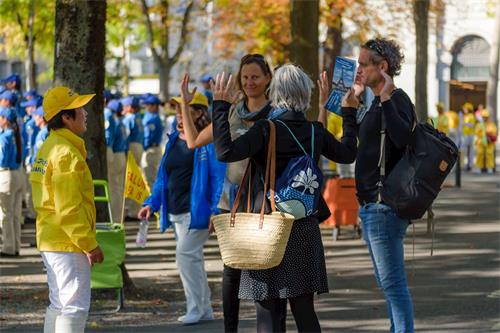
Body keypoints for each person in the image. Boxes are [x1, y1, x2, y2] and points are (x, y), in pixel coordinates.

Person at [212, 64, 357, 332]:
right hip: (302, 227)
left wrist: (220, 107)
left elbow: (225, 152)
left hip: (266, 227)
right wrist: (348, 113)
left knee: (268, 313)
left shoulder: (265, 130)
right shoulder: (315, 131)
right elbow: (348, 153)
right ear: (306, 95)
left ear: (275, 92)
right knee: (304, 311)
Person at [180, 53, 273, 333]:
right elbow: (194, 140)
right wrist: (185, 104)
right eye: (245, 77)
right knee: (231, 271)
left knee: (260, 272)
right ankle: (229, 329)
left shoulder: (275, 113)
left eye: (255, 76)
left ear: (268, 78)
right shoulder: (232, 110)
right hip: (229, 203)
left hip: (260, 203)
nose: (250, 82)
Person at [344, 38, 415, 332]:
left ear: (382, 67)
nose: (358, 69)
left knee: (394, 286)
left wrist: (385, 99)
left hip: (384, 205)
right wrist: (351, 107)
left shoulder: (396, 99)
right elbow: (359, 146)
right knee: (389, 286)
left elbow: (403, 140)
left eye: (363, 64)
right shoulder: (376, 102)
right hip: (372, 206)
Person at [138, 92, 225, 326]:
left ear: (198, 113)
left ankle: (195, 308)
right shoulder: (174, 138)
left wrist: (215, 210)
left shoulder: (207, 141)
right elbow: (162, 177)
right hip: (176, 212)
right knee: (192, 259)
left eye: (183, 108)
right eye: (175, 108)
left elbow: (218, 177)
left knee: (185, 255)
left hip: (197, 212)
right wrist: (151, 203)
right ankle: (204, 308)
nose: (178, 113)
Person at [30, 86, 104, 333]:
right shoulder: (65, 153)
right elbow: (69, 207)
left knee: (60, 304)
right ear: (66, 117)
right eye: (79, 109)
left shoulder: (49, 147)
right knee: (73, 307)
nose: (85, 113)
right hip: (67, 242)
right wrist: (89, 243)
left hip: (53, 238)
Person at [0, 106, 23, 257]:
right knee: (15, 214)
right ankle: (16, 246)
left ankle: (8, 247)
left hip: (6, 175)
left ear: (5, 120)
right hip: (17, 174)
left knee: (5, 214)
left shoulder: (4, 136)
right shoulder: (16, 135)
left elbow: (1, 159)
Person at [121, 96, 144, 219]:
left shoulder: (129, 118)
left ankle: (129, 210)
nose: (123, 108)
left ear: (130, 107)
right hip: (139, 146)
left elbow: (125, 135)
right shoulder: (139, 117)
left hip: (131, 147)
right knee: (136, 177)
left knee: (128, 177)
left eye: (125, 106)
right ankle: (136, 208)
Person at [141, 94, 164, 188]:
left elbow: (148, 135)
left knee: (149, 178)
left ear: (154, 106)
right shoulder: (152, 116)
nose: (146, 107)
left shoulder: (152, 118)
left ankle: (153, 202)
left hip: (151, 148)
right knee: (151, 177)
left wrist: (144, 147)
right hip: (153, 148)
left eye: (149, 104)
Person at [473, 109, 497, 174]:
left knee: (489, 154)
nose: (485, 118)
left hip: (489, 142)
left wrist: (489, 135)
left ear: (488, 117)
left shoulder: (491, 124)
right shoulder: (479, 125)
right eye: (483, 117)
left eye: (486, 117)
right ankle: (479, 168)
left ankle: (490, 168)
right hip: (481, 141)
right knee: (480, 154)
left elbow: (494, 132)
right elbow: (476, 133)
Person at [459, 102, 476, 171]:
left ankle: (469, 165)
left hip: (470, 135)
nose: (464, 110)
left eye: (465, 108)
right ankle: (464, 164)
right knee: (464, 150)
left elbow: (472, 125)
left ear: (468, 109)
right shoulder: (464, 116)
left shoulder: (471, 116)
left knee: (470, 151)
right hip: (465, 135)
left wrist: (465, 124)